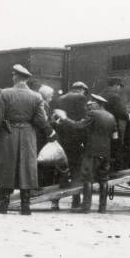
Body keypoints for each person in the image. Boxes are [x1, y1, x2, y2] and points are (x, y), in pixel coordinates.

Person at [0, 65, 56, 215]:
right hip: (28, 135)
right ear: (26, 79)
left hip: (8, 134)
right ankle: (26, 206)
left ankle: (4, 204)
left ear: (16, 77)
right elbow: (40, 120)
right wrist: (49, 132)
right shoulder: (36, 96)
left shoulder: (5, 93)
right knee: (27, 168)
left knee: (7, 167)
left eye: (13, 75)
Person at [56, 94, 117, 213]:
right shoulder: (111, 116)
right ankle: (102, 207)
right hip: (106, 151)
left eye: (91, 103)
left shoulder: (93, 114)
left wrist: (64, 118)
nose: (89, 105)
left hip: (92, 150)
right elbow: (115, 137)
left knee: (87, 178)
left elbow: (77, 126)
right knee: (103, 178)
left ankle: (86, 206)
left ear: (97, 104)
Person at [53, 81, 89, 209]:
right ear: (81, 89)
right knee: (76, 169)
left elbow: (55, 118)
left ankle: (55, 202)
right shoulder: (81, 98)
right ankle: (76, 200)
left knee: (61, 168)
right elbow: (84, 119)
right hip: (75, 139)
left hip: (62, 138)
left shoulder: (60, 98)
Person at [36, 84, 69, 211]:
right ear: (46, 95)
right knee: (48, 163)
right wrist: (52, 127)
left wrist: (53, 122)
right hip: (43, 139)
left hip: (44, 138)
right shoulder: (42, 104)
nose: (52, 97)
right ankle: (42, 189)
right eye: (51, 95)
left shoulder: (43, 103)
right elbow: (42, 122)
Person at [100, 78, 128, 170]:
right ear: (115, 85)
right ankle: (114, 169)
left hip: (100, 126)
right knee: (115, 146)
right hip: (112, 127)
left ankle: (103, 168)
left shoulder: (100, 94)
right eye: (119, 86)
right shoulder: (114, 96)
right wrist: (129, 116)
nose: (119, 89)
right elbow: (122, 113)